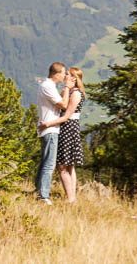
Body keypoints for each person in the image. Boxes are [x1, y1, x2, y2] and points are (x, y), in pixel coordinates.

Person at [39, 66, 85, 204]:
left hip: (68, 128)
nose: (65, 75)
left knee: (63, 166)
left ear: (73, 78)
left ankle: (70, 199)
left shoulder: (75, 94)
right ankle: (71, 198)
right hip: (68, 128)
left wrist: (48, 124)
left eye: (68, 74)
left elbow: (66, 116)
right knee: (69, 165)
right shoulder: (71, 92)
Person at [35, 62, 69, 203]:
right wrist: (67, 87)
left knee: (44, 162)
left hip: (47, 128)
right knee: (49, 164)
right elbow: (64, 104)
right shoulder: (48, 86)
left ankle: (39, 191)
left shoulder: (47, 86)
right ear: (56, 74)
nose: (64, 76)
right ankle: (43, 196)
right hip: (49, 130)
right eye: (63, 73)